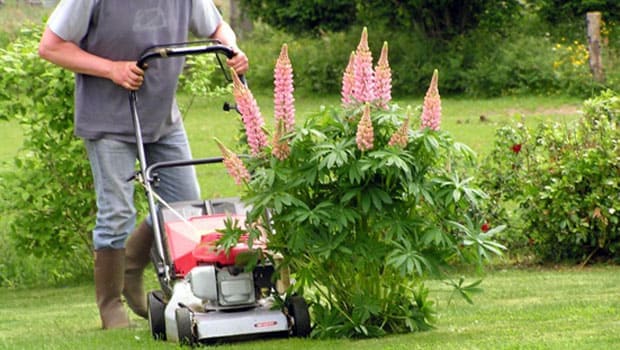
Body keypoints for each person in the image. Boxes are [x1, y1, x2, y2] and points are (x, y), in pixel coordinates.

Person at [38, 0, 249, 329]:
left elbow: (218, 27)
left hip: (162, 119)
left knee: (182, 206)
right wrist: (112, 69)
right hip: (106, 120)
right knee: (117, 212)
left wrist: (231, 47)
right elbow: (50, 47)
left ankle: (133, 266)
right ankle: (111, 306)